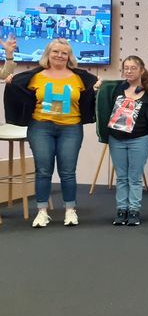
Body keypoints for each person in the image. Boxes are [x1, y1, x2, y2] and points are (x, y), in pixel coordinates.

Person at [3, 38, 99, 227]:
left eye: (64, 53)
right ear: (48, 53)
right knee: (43, 171)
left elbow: (90, 97)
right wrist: (10, 82)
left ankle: (70, 210)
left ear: (69, 57)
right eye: (55, 51)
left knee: (68, 172)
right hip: (41, 128)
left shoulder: (80, 78)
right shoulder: (34, 76)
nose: (59, 55)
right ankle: (42, 212)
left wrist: (97, 87)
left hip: (71, 128)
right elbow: (17, 91)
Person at [96, 56, 148, 226]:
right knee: (121, 177)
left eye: (133, 68)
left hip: (140, 138)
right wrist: (97, 88)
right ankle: (122, 210)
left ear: (141, 70)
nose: (128, 71)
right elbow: (102, 102)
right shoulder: (116, 89)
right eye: (126, 68)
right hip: (116, 138)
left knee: (135, 177)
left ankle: (134, 210)